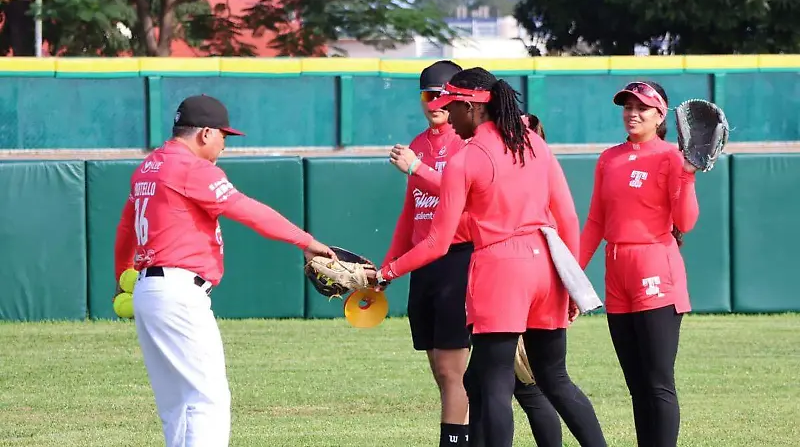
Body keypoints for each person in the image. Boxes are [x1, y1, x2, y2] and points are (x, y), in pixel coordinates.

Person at [368, 67, 607, 447]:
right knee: (546, 378)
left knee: (495, 383)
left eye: (452, 107)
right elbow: (568, 216)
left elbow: (437, 243)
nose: (448, 116)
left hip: (502, 269)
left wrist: (388, 272)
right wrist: (571, 280)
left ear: (471, 107)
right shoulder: (533, 143)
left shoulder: (469, 157)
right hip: (546, 264)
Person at [113, 94, 336, 447]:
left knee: (177, 405)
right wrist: (306, 241)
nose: (223, 145)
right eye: (223, 136)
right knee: (208, 400)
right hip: (179, 292)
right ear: (204, 133)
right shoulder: (192, 168)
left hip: (148, 290)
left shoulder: (149, 165)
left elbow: (127, 227)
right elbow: (248, 210)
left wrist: (121, 277)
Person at [578, 81, 698, 447]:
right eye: (628, 106)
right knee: (636, 385)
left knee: (658, 381)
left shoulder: (671, 157)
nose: (633, 113)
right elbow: (596, 222)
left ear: (661, 114)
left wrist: (688, 174)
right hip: (617, 273)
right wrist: (572, 276)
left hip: (655, 268)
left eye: (642, 107)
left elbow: (686, 221)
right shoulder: (609, 158)